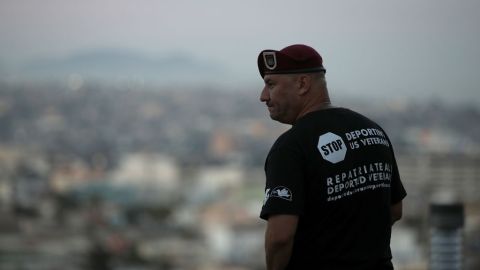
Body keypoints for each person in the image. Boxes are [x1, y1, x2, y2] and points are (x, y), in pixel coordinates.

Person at [257, 44, 406, 270]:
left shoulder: (290, 148)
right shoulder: (373, 131)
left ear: (302, 84)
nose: (263, 96)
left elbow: (280, 237)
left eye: (271, 84)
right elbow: (395, 210)